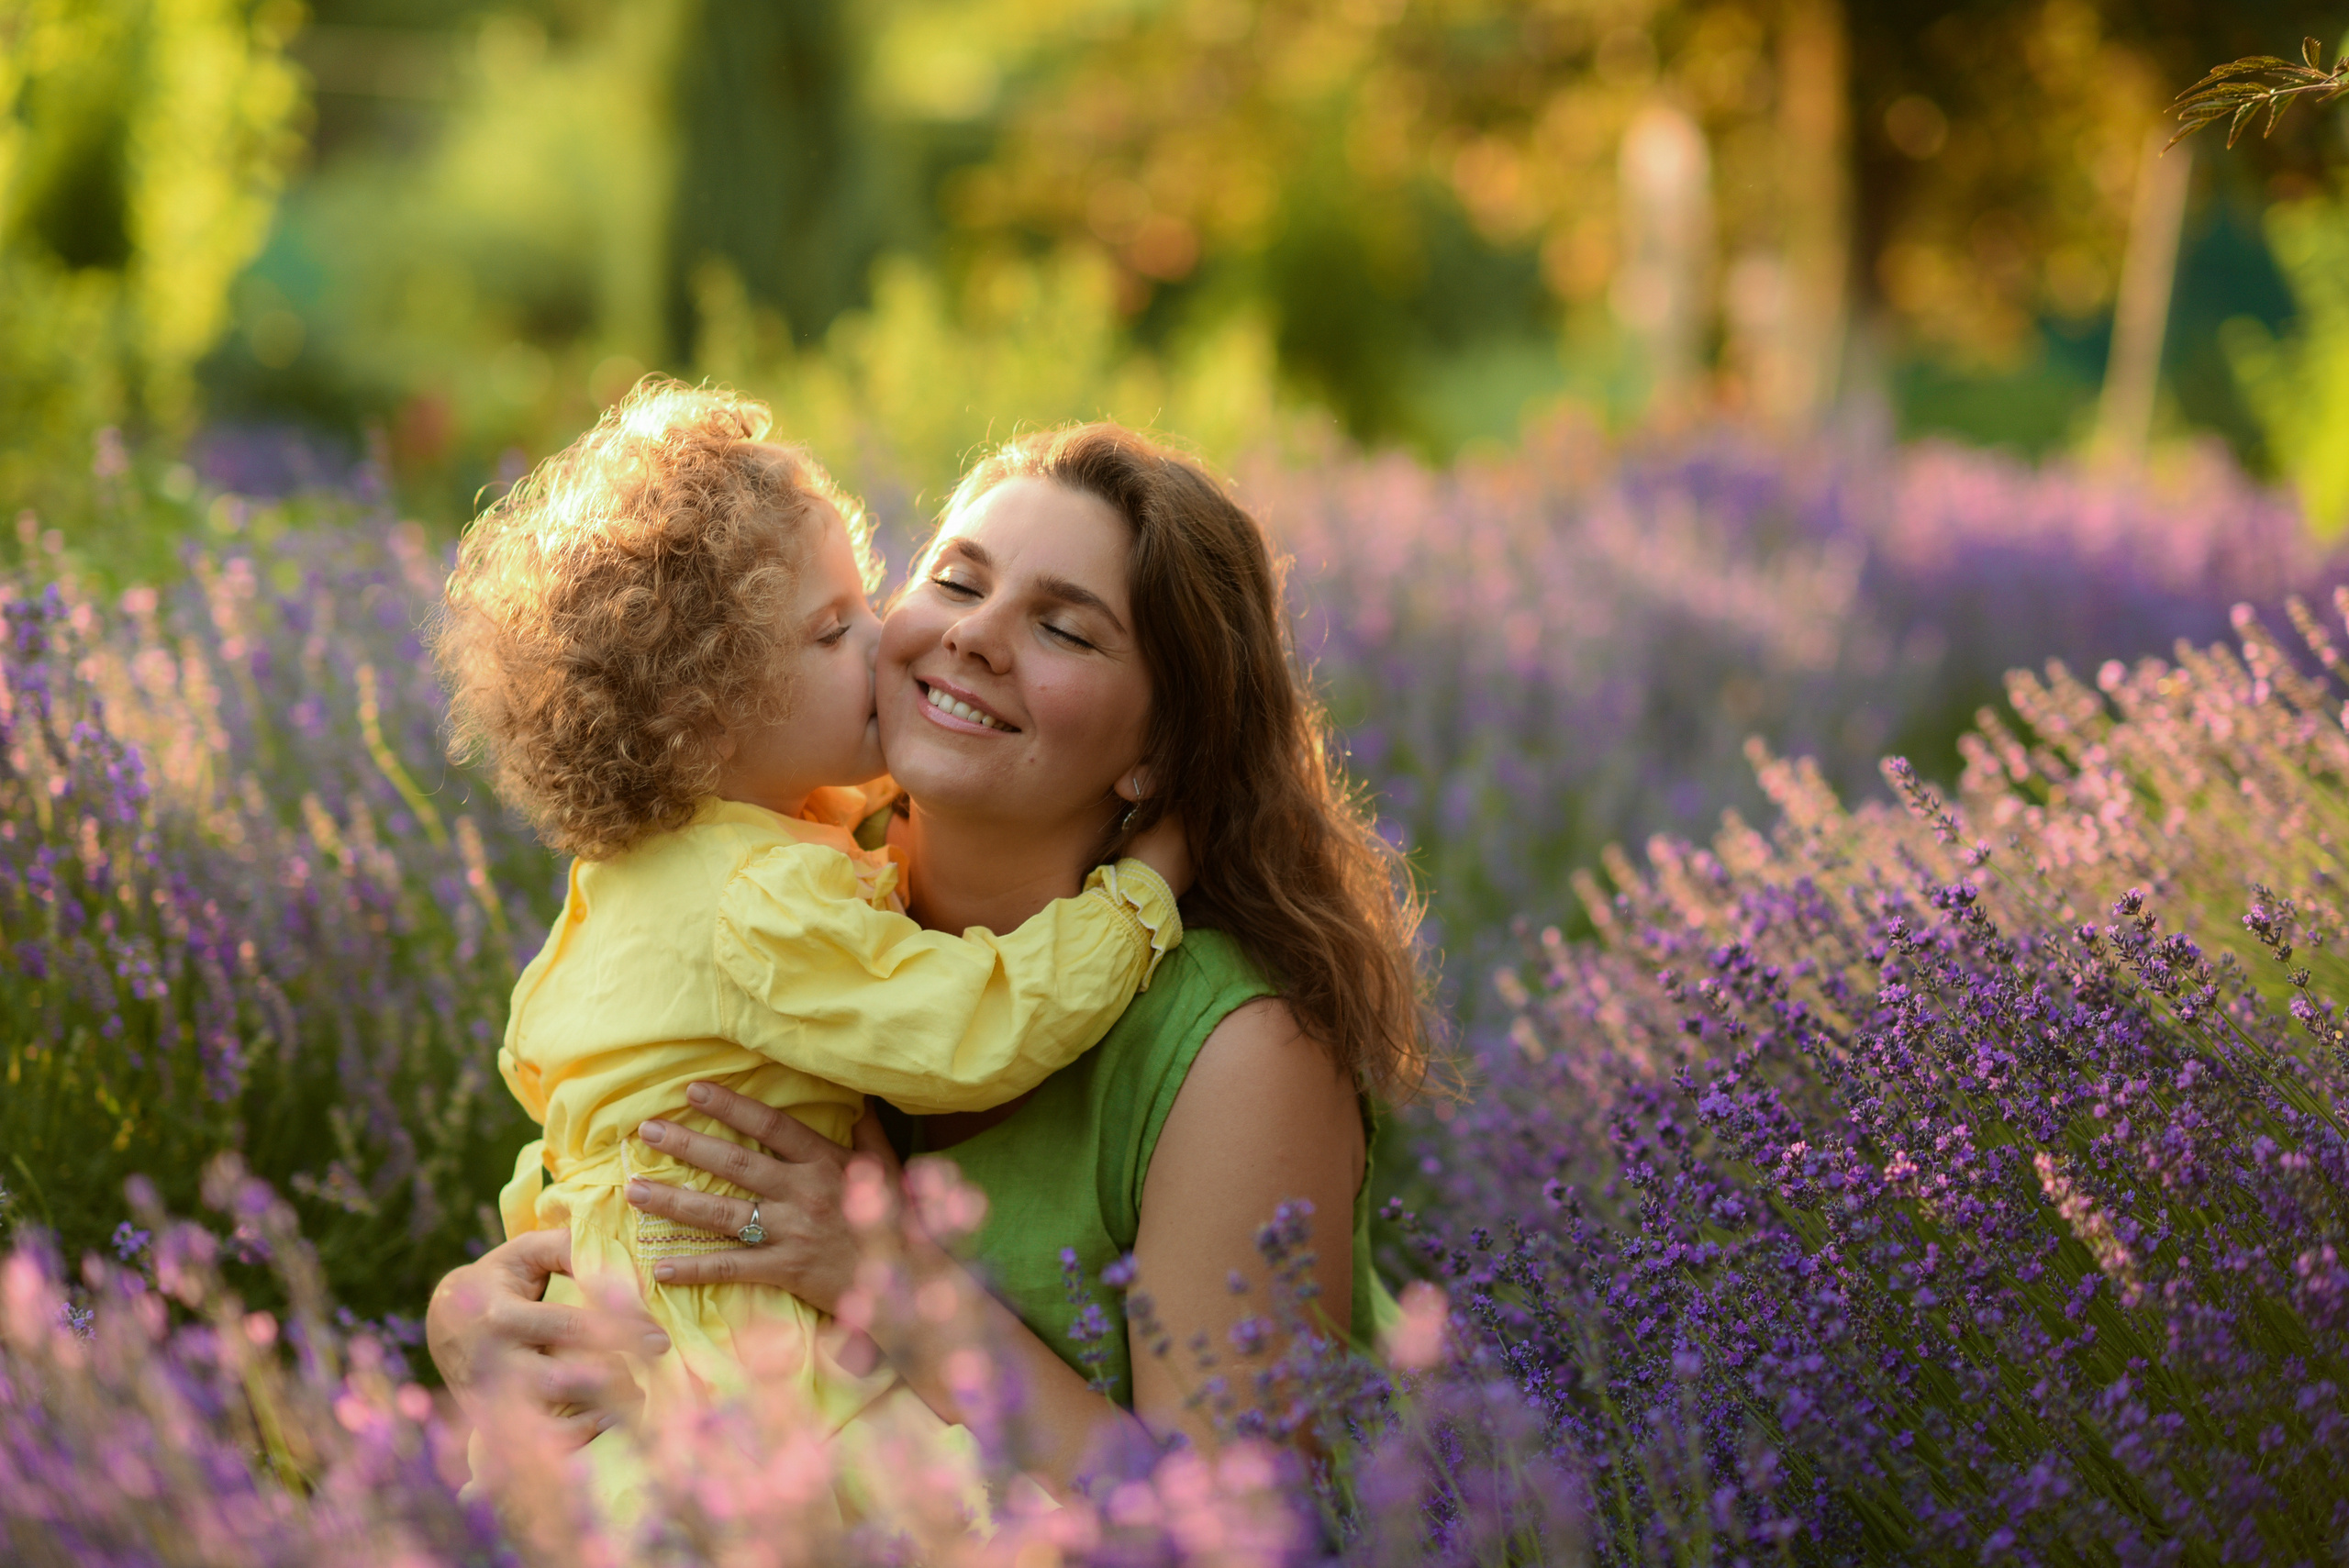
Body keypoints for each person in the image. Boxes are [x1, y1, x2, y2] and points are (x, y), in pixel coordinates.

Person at [427, 422, 1431, 1491]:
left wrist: (891, 1286)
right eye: (956, 581)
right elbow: (598, 1137)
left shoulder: (1241, 1049)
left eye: (1065, 630)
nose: (978, 636)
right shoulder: (789, 882)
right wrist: (487, 1314)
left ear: (1158, 752)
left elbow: (1227, 1533)